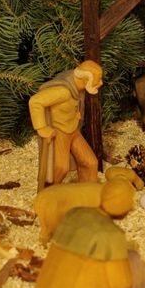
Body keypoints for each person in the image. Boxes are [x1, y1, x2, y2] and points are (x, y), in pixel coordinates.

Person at [2, 179, 140, 288]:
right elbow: (120, 284)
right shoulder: (112, 235)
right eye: (130, 201)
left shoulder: (75, 214)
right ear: (122, 205)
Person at [29, 60, 103, 191]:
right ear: (86, 79)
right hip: (60, 132)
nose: (101, 83)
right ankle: (49, 195)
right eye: (98, 80)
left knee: (90, 163)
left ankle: (87, 194)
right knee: (60, 168)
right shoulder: (63, 91)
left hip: (73, 130)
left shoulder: (78, 87)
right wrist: (41, 128)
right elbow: (35, 101)